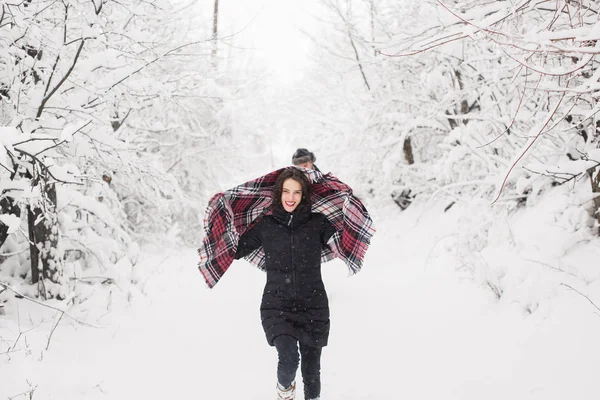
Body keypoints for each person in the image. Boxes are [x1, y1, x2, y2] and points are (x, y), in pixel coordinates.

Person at [235, 167, 336, 400]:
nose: (290, 197)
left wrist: (350, 213)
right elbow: (236, 249)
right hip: (277, 305)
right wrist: (221, 218)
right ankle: (284, 391)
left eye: (297, 192)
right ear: (279, 193)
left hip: (314, 304)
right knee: (289, 359)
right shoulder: (266, 226)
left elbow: (341, 243)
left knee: (312, 372)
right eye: (286, 191)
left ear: (304, 196)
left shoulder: (318, 223)